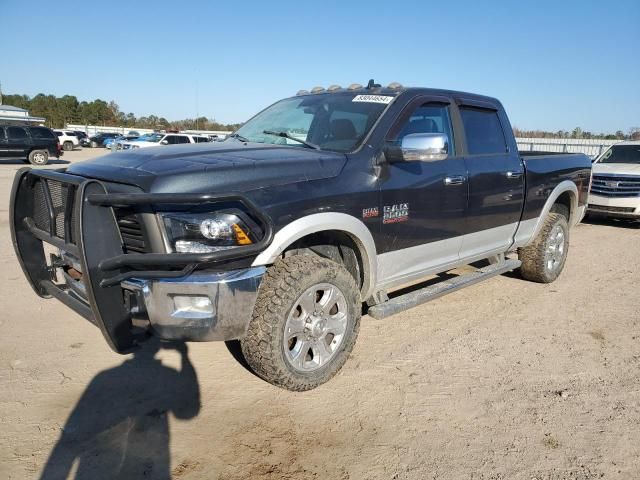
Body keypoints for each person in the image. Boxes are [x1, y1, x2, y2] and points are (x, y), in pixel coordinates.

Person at [40, 340, 200, 479]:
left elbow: (71, 432)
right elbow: (188, 412)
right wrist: (184, 356)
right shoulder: (167, 374)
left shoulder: (103, 377)